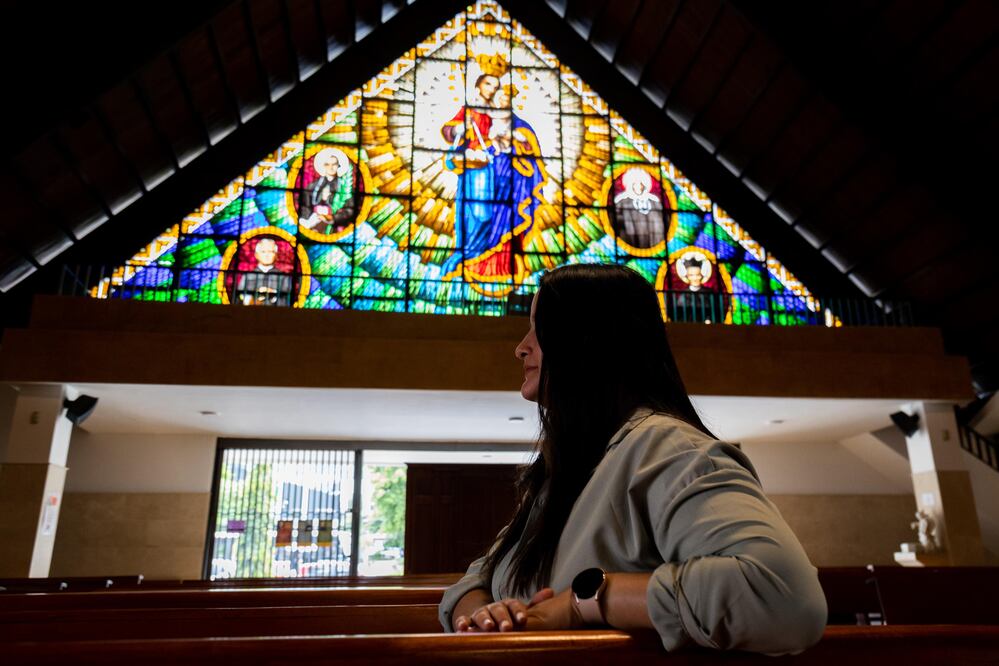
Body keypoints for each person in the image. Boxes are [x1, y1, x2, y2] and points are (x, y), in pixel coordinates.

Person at [438, 264, 827, 655]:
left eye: (541, 327)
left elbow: (780, 595)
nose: (521, 347)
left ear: (589, 339)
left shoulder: (667, 449)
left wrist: (587, 599)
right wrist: (485, 617)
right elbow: (481, 576)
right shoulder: (565, 472)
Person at [234, 238, 293, 307]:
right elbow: (239, 297)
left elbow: (288, 300)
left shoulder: (284, 277)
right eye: (263, 251)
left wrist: (273, 295)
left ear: (276, 255)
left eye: (270, 251)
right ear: (256, 255)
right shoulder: (247, 276)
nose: (266, 255)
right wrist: (253, 299)